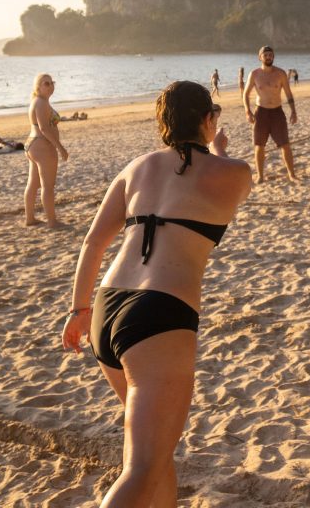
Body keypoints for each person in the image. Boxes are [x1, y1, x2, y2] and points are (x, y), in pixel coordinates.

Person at [62, 81, 251, 507]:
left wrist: (78, 309)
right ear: (208, 119)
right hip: (159, 314)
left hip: (106, 309)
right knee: (142, 467)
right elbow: (222, 177)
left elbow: (93, 242)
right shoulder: (233, 171)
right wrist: (217, 146)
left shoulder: (136, 168)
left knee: (156, 454)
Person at [243, 46, 298, 182]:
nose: (268, 57)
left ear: (273, 57)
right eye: (266, 55)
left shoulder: (280, 74)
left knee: (285, 144)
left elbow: (288, 93)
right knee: (259, 145)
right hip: (260, 112)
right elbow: (246, 94)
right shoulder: (254, 74)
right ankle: (260, 176)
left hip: (277, 112)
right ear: (260, 57)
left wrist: (293, 111)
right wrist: (248, 111)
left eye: (270, 55)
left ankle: (292, 175)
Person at [24, 73, 68, 227]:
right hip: (42, 145)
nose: (50, 86)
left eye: (51, 82)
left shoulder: (38, 101)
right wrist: (60, 147)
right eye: (46, 83)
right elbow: (44, 128)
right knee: (47, 186)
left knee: (33, 184)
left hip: (33, 145)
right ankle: (52, 221)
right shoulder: (41, 103)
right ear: (38, 87)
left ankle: (30, 219)